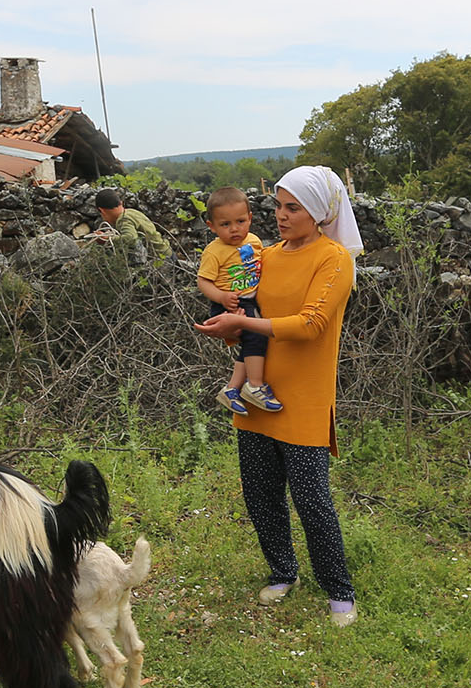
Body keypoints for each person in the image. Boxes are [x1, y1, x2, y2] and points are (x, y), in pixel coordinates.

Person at [194, 167, 361, 628]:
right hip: (256, 394)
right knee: (261, 494)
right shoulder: (264, 254)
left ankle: (339, 588)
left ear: (321, 213)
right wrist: (226, 322)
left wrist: (242, 325)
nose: (280, 216)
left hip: (304, 397)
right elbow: (246, 305)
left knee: (311, 500)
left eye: (293, 208)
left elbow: (310, 325)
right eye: (278, 206)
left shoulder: (334, 259)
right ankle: (283, 571)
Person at [194, 187, 281, 416]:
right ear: (211, 226)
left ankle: (232, 389)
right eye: (225, 224)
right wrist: (221, 297)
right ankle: (255, 384)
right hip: (229, 303)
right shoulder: (214, 252)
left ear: (250, 218)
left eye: (240, 221)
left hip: (249, 301)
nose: (234, 229)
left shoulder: (254, 241)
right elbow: (203, 282)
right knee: (257, 336)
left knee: (252, 343)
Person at [93, 189, 169, 260]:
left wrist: (108, 239)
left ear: (102, 210)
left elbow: (131, 238)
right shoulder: (131, 212)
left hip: (161, 259)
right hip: (166, 251)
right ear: (120, 203)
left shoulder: (123, 219)